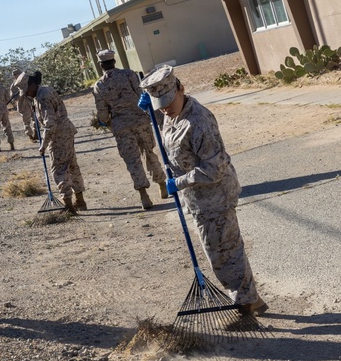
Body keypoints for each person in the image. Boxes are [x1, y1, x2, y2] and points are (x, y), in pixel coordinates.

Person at [140, 65, 268, 315]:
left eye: (166, 100)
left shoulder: (199, 121)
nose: (164, 108)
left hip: (216, 195)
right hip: (199, 199)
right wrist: (150, 112)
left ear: (181, 89)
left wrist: (178, 183)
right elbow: (166, 129)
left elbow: (214, 168)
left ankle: (245, 305)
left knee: (224, 252)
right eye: (159, 103)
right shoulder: (168, 112)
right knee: (222, 250)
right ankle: (252, 300)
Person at [91, 49, 167, 210]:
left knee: (132, 160)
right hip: (140, 120)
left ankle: (144, 196)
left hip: (121, 126)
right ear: (114, 61)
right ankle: (162, 184)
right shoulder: (129, 74)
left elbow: (103, 115)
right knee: (149, 152)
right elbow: (143, 95)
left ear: (101, 65)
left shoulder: (99, 85)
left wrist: (106, 121)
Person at [20, 70, 86, 213]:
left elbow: (50, 124)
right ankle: (80, 201)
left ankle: (68, 205)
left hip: (58, 136)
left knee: (59, 170)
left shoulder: (42, 97)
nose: (26, 94)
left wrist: (43, 145)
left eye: (26, 90)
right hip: (66, 131)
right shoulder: (45, 90)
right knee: (72, 166)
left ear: (32, 85)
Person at [10, 68, 37, 142]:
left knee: (35, 118)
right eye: (16, 75)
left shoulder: (27, 82)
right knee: (26, 121)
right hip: (23, 104)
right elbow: (13, 98)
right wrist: (20, 95)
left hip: (31, 102)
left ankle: (36, 133)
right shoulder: (14, 85)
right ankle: (30, 136)